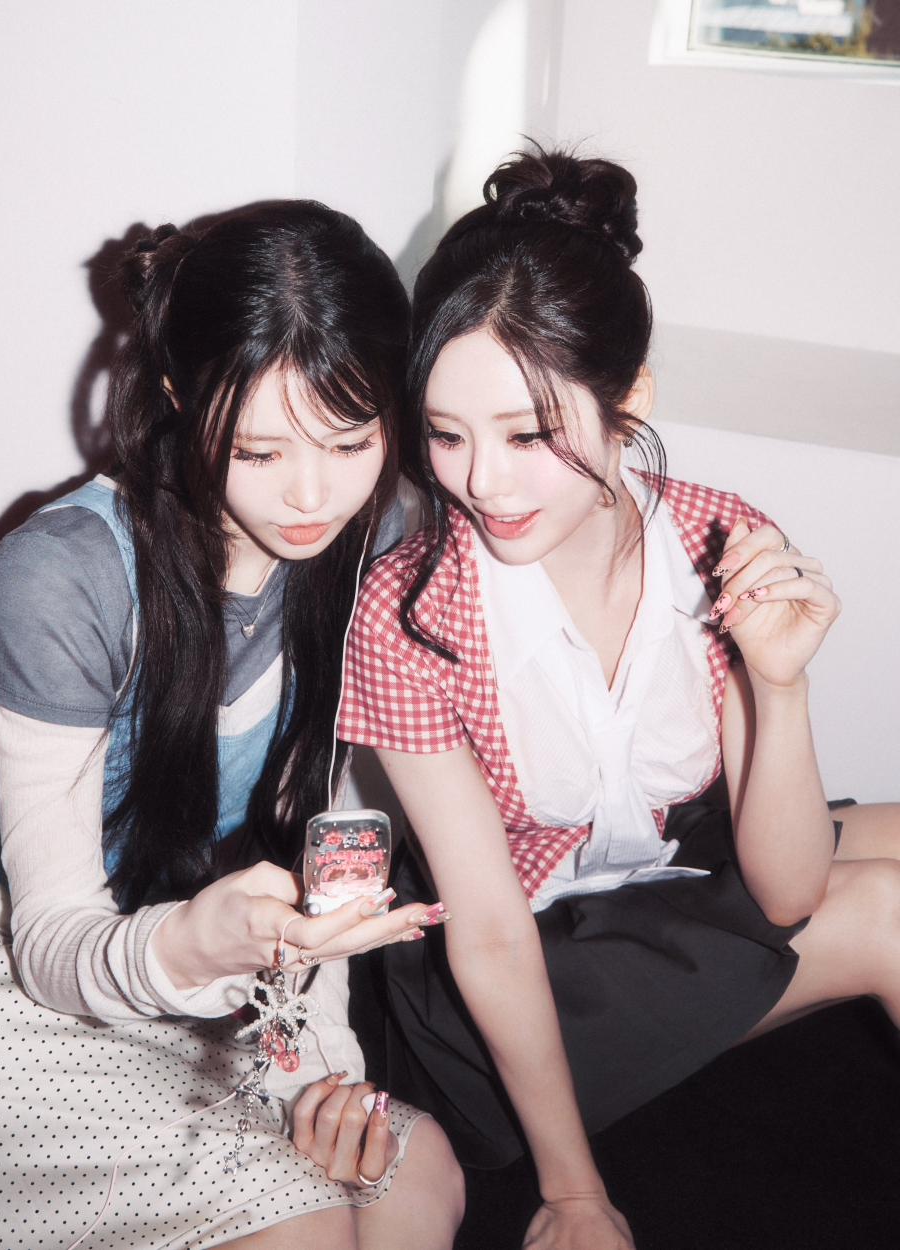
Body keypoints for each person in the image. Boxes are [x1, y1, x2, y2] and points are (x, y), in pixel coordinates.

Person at [336, 149, 900, 1250]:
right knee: (885, 910)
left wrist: (779, 687)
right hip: (511, 974)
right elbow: (490, 934)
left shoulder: (717, 532)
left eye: (528, 433)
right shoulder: (407, 614)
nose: (482, 481)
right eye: (445, 433)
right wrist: (574, 1193)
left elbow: (784, 888)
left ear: (627, 398)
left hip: (664, 859)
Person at [0, 202, 463, 1249]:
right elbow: (52, 944)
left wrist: (318, 1071)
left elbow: (321, 829)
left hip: (154, 943)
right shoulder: (64, 574)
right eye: (257, 449)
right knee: (296, 1222)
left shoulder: (379, 529)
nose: (311, 493)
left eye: (351, 439)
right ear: (176, 397)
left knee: (409, 1170)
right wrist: (192, 946)